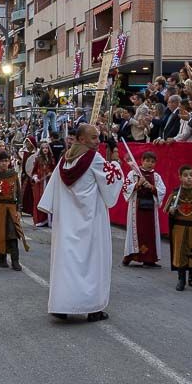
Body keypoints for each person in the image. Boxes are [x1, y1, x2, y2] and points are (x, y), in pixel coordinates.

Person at [37, 124, 124, 322]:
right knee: (93, 263)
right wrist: (116, 162)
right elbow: (111, 180)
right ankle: (93, 308)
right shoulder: (94, 158)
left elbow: (54, 189)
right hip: (91, 220)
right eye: (94, 137)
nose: (98, 141)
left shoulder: (64, 160)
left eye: (98, 137)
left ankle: (62, 305)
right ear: (82, 139)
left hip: (68, 222)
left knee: (66, 264)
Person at [121, 150, 166, 268]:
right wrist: (137, 184)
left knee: (149, 233)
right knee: (136, 233)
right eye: (147, 161)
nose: (150, 163)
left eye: (152, 161)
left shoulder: (156, 176)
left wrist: (152, 187)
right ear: (142, 161)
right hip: (136, 209)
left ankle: (149, 259)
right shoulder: (133, 174)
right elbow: (125, 187)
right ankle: (129, 256)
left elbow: (162, 190)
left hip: (150, 210)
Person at [0, 151, 24, 270]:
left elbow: (19, 193)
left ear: (9, 162)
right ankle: (2, 259)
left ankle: (15, 261)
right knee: (0, 234)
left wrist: (19, 210)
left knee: (13, 234)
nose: (4, 163)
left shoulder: (13, 175)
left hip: (11, 208)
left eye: (6, 161)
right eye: (1, 161)